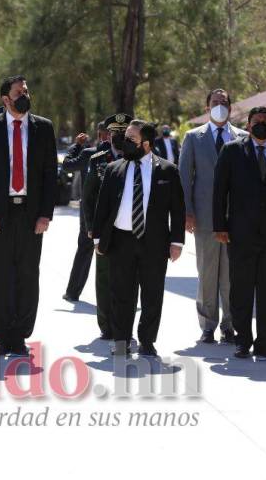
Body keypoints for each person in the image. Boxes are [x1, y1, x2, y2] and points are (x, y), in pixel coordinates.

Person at [0, 75, 57, 355]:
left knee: (27, 274)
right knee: (0, 276)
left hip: (31, 215)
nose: (25, 94)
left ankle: (20, 335)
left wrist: (45, 214)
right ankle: (2, 334)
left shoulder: (43, 128)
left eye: (26, 90)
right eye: (19, 91)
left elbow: (49, 175)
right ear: (5, 99)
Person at [93, 120, 185, 357]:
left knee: (152, 294)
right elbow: (102, 206)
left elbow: (178, 209)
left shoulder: (167, 170)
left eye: (131, 139)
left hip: (153, 242)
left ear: (145, 143)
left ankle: (147, 341)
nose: (125, 143)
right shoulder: (115, 169)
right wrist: (97, 238)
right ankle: (121, 341)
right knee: (121, 294)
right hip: (121, 241)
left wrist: (177, 242)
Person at [213, 107, 266, 360]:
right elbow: (220, 191)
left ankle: (264, 343)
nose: (260, 125)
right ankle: (242, 340)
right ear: (248, 126)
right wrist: (220, 226)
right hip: (240, 234)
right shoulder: (232, 151)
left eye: (264, 121)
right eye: (255, 121)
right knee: (241, 289)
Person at [178, 88, 247, 344]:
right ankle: (207, 324)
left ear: (230, 107)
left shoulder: (243, 137)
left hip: (235, 218)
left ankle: (229, 325)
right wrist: (187, 211)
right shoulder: (193, 137)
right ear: (207, 107)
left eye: (224, 102)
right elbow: (185, 177)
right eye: (215, 102)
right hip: (205, 217)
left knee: (231, 275)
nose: (220, 105)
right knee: (207, 273)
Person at [82, 113, 131, 339]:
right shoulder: (98, 159)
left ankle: (124, 324)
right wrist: (91, 228)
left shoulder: (138, 159)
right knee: (104, 277)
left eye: (123, 133)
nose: (119, 137)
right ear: (107, 135)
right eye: (115, 133)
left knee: (129, 278)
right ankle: (106, 325)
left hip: (130, 227)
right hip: (104, 229)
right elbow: (88, 197)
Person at [61, 122, 107, 303]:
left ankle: (73, 292)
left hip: (89, 211)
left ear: (99, 135)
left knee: (85, 250)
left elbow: (67, 165)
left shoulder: (89, 154)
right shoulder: (122, 155)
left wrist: (76, 146)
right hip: (110, 211)